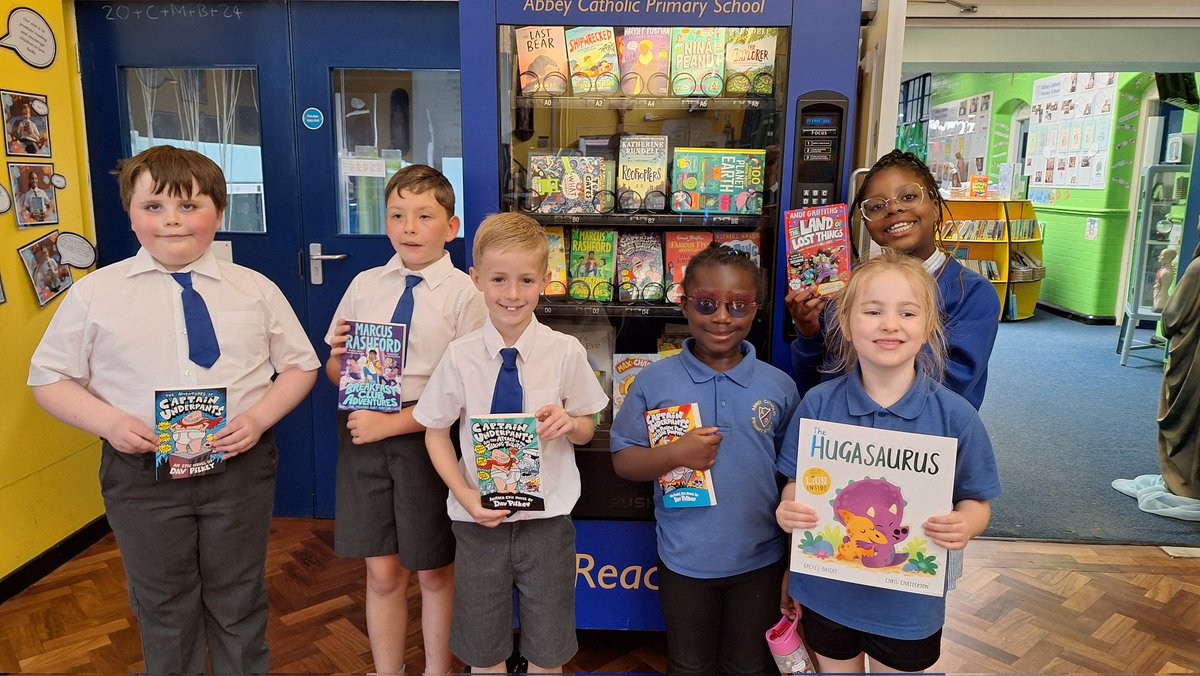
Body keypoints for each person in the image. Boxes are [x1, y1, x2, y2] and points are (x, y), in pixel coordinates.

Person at [27, 145, 320, 673]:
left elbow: (301, 366)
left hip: (238, 470)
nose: (172, 222)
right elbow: (48, 377)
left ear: (219, 212)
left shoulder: (254, 290)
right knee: (163, 603)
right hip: (142, 475)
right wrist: (110, 422)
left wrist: (257, 419)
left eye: (190, 206)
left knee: (238, 598)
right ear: (131, 214)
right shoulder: (97, 294)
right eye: (154, 207)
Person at [776, 249, 1000, 673]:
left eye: (908, 313)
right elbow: (796, 481)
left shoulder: (956, 417)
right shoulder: (818, 404)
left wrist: (966, 522)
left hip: (908, 608)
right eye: (873, 310)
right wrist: (791, 506)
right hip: (827, 594)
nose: (890, 324)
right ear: (845, 322)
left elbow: (977, 500)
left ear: (929, 327)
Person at [413, 212, 608, 673]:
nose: (513, 293)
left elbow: (587, 424)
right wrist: (465, 496)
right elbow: (435, 431)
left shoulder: (566, 352)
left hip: (548, 525)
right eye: (499, 279)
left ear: (545, 281)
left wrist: (570, 422)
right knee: (483, 652)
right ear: (477, 278)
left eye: (526, 280)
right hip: (478, 526)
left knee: (549, 649)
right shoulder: (460, 357)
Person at [324, 164, 486, 675]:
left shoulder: (466, 295)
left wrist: (390, 425)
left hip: (426, 442)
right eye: (397, 215)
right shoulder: (365, 284)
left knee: (434, 571)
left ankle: (438, 671)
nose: (410, 228)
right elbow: (336, 367)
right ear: (385, 221)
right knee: (381, 572)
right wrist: (338, 363)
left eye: (424, 216)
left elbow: (466, 392)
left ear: (451, 227)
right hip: (364, 438)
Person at [609, 243, 800, 675]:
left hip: (761, 560)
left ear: (756, 308)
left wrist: (794, 562)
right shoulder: (654, 380)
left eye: (738, 305)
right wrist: (678, 454)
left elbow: (795, 478)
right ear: (684, 303)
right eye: (708, 304)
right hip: (685, 560)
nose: (722, 317)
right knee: (688, 664)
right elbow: (624, 460)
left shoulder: (779, 386)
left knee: (749, 665)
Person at [787, 149, 1001, 410]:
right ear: (867, 225)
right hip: (841, 437)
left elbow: (951, 385)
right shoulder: (848, 288)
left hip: (922, 443)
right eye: (877, 206)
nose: (894, 208)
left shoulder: (973, 294)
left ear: (935, 208)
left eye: (909, 196)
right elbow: (814, 383)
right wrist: (809, 332)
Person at [1158, 236, 1200, 499]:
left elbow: (1170, 319)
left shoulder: (1197, 269)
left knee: (1185, 418)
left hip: (1192, 358)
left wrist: (1165, 289)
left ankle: (1185, 482)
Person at [1153, 247, 1178, 312]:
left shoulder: (1166, 273)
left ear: (1168, 259)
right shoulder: (1163, 270)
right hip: (1157, 295)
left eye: (1161, 255)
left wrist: (1159, 304)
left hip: (1161, 300)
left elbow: (1164, 290)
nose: (1159, 257)